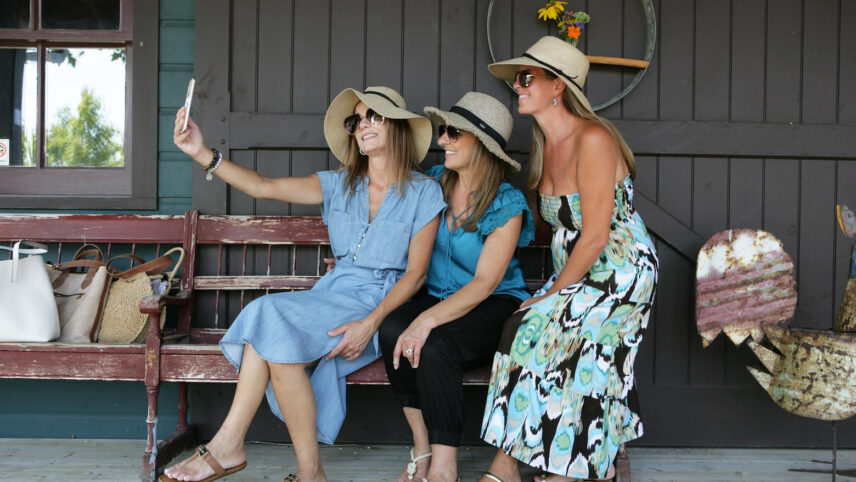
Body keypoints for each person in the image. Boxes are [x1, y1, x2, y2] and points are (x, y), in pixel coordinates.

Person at [161, 86, 445, 482]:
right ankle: (278, 461)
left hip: (381, 302)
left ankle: (249, 453)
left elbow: (416, 274)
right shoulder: (338, 184)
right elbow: (264, 186)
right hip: (332, 293)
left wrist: (371, 323)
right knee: (271, 327)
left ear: (397, 126)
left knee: (268, 321)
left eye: (373, 116)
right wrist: (202, 153)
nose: (362, 125)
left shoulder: (424, 192)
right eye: (356, 120)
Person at [478, 36, 659, 482]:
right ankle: (510, 467)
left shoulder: (593, 138)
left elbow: (596, 234)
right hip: (577, 272)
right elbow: (559, 227)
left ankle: (571, 468)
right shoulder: (544, 146)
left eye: (526, 78)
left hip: (620, 270)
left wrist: (552, 294)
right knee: (521, 330)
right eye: (518, 80)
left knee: (565, 339)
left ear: (557, 86)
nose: (518, 87)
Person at [377, 92, 534, 482]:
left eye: (452, 132)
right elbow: (389, 219)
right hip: (437, 296)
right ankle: (422, 446)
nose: (441, 139)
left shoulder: (505, 203)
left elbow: (484, 283)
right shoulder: (433, 184)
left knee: (436, 345)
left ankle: (445, 466)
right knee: (392, 329)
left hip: (494, 303)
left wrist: (427, 321)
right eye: (443, 131)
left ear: (480, 143)